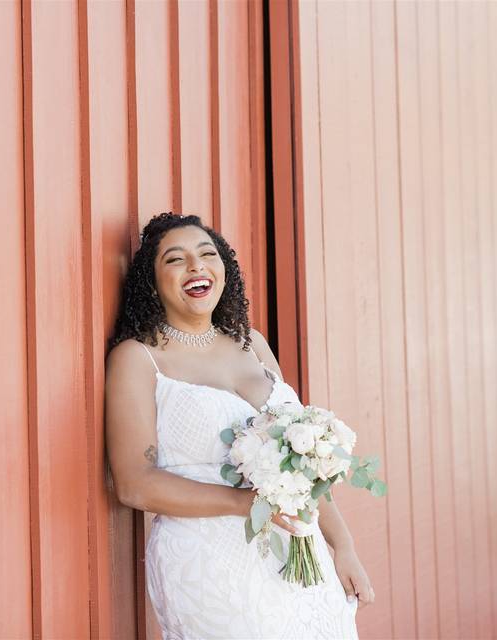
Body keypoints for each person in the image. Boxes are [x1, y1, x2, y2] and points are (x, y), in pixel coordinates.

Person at [105, 212, 373, 639]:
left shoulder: (253, 342)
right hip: (212, 558)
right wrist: (244, 503)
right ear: (152, 283)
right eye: (175, 259)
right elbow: (135, 484)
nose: (196, 266)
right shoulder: (139, 358)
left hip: (299, 552)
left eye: (207, 254)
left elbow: (300, 459)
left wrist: (342, 546)